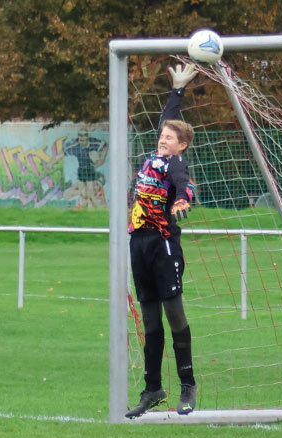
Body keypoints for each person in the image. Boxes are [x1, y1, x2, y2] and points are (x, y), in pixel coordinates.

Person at [125, 63, 198, 419]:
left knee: (174, 314)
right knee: (150, 321)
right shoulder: (154, 157)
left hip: (164, 245)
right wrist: (177, 89)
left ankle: (188, 384)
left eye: (169, 137)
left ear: (180, 145)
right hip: (139, 244)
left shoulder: (174, 163)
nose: (163, 139)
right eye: (162, 135)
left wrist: (183, 199)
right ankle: (152, 388)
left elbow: (185, 184)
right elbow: (166, 121)